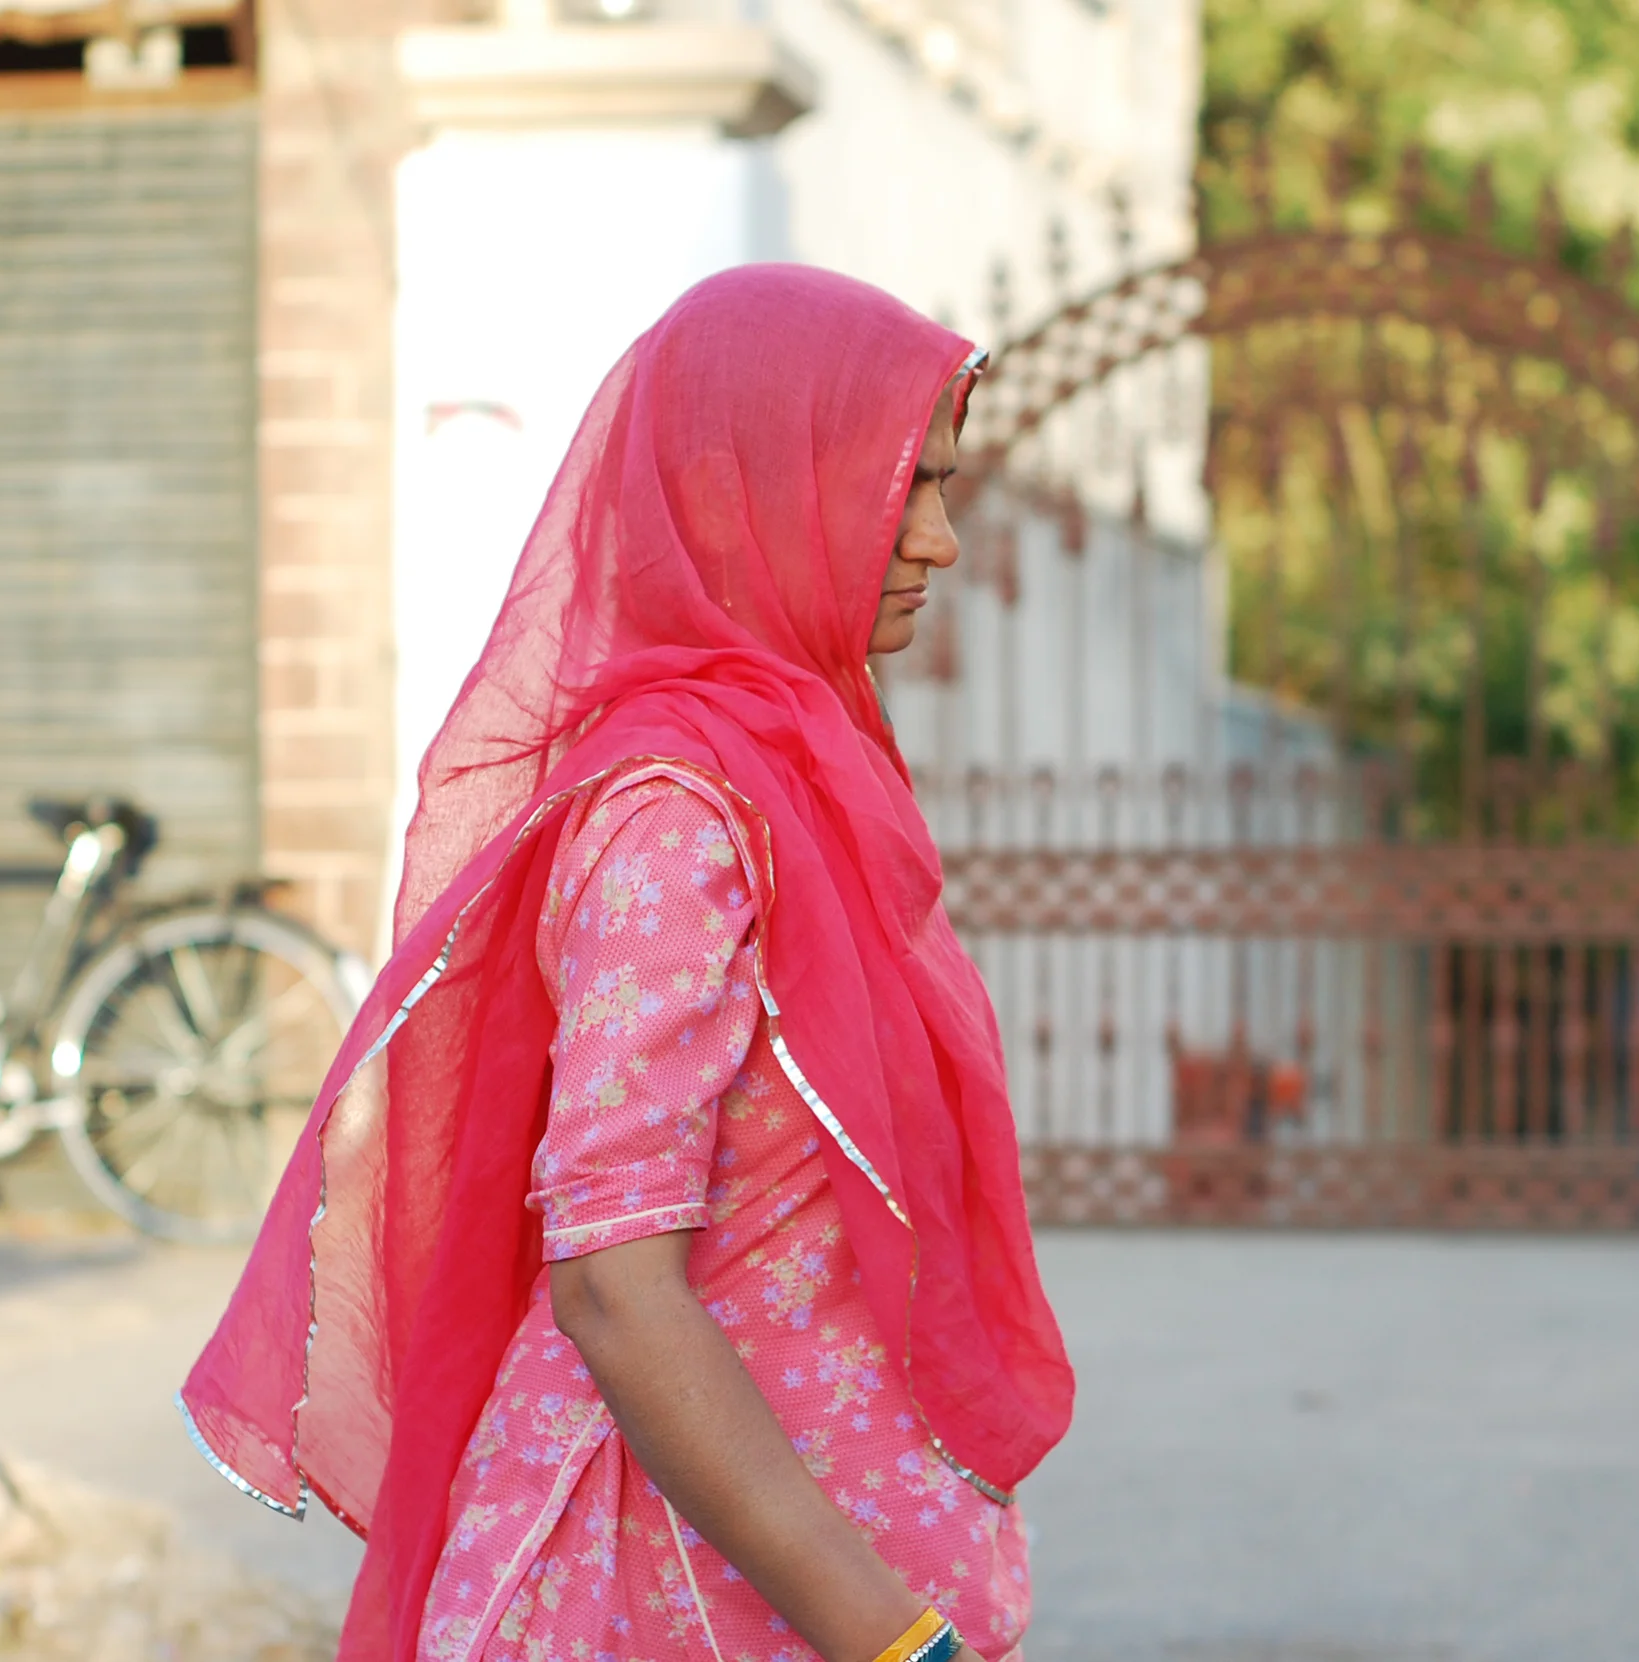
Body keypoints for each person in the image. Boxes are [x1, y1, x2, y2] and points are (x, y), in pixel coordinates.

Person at [181, 265, 1074, 1662]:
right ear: (752, 492)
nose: (939, 541)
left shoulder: (798, 774)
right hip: (658, 1589)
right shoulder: (680, 817)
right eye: (904, 485)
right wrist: (897, 1641)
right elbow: (614, 1284)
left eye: (941, 488)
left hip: (788, 1575)